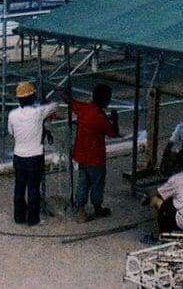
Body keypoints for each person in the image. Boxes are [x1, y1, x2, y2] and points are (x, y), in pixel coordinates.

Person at [6, 81, 59, 226]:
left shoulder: (12, 115)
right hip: (35, 156)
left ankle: (19, 217)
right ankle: (33, 219)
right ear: (32, 97)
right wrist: (45, 102)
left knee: (19, 188)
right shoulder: (38, 112)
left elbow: (11, 133)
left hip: (19, 156)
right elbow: (54, 106)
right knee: (33, 189)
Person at [66, 82, 120, 222]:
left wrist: (65, 94)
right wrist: (115, 119)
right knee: (97, 183)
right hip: (96, 158)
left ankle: (81, 212)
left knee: (82, 183)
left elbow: (72, 103)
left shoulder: (84, 109)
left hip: (81, 155)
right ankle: (97, 207)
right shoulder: (101, 117)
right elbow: (113, 133)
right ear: (105, 100)